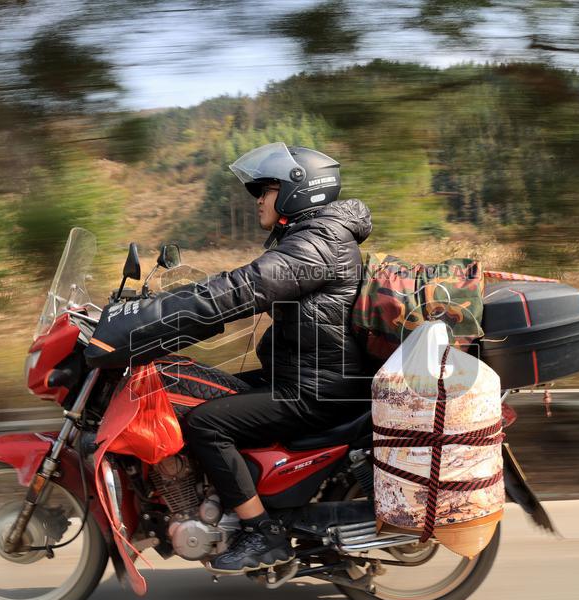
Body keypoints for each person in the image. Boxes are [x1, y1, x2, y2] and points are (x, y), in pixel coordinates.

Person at [85, 142, 372, 573]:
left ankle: (262, 533)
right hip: (303, 375)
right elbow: (236, 284)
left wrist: (155, 317)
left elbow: (243, 289)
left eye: (266, 189)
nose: (258, 199)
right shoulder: (313, 237)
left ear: (299, 189)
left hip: (316, 389)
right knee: (192, 386)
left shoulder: (319, 242)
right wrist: (151, 309)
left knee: (206, 423)